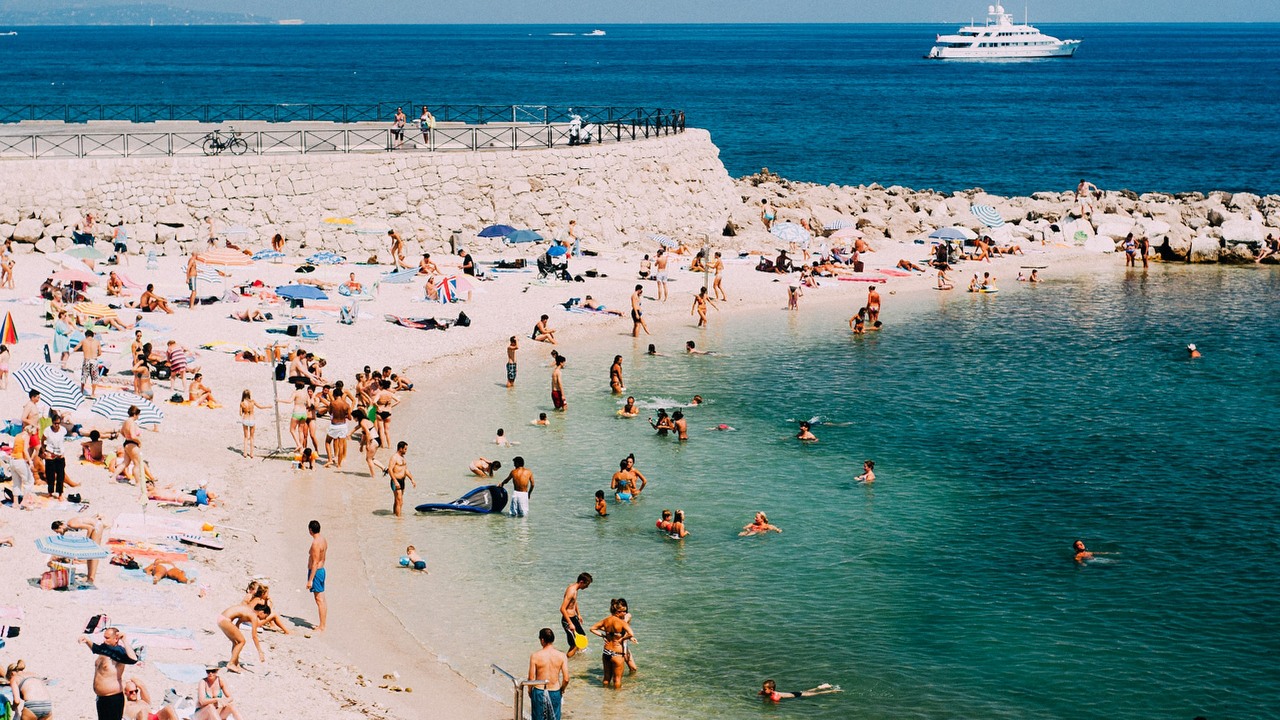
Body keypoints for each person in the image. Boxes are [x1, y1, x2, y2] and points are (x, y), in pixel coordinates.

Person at [79, 626, 138, 718]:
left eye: (107, 638)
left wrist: (124, 640)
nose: (104, 640)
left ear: (116, 639)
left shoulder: (119, 652)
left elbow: (133, 659)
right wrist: (87, 641)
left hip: (113, 698)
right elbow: (95, 649)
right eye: (104, 637)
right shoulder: (105, 649)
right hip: (101, 698)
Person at [590, 598, 637, 689]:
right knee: (617, 680)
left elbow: (592, 628)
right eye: (623, 612)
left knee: (606, 678)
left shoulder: (606, 620)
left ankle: (605, 695)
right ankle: (616, 697)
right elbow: (631, 633)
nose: (625, 613)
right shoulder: (622, 622)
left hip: (606, 652)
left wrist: (603, 636)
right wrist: (623, 638)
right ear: (618, 612)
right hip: (617, 654)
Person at [528, 628, 570, 720]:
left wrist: (530, 691)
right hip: (555, 691)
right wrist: (562, 689)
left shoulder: (535, 656)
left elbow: (531, 678)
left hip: (539, 691)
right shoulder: (562, 655)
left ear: (542, 640)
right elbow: (566, 679)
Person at [375, 442, 416, 518]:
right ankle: (398, 519)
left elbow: (405, 470)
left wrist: (412, 479)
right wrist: (395, 481)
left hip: (402, 481)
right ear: (400, 449)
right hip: (395, 481)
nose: (406, 451)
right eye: (405, 449)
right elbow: (390, 470)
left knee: (397, 500)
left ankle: (395, 516)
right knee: (399, 501)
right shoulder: (394, 457)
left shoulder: (402, 458)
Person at [560, 573, 592, 658]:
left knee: (583, 638)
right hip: (567, 620)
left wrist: (578, 614)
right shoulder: (571, 590)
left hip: (573, 618)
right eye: (586, 584)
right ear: (581, 582)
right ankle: (565, 662)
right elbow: (562, 608)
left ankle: (577, 661)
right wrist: (570, 623)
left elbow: (574, 602)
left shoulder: (575, 589)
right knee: (574, 645)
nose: (587, 587)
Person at [307, 519, 328, 632]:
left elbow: (315, 562)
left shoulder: (316, 543)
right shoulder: (323, 539)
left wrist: (310, 580)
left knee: (319, 599)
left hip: (316, 572)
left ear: (310, 530)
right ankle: (322, 624)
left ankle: (322, 626)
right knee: (321, 599)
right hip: (321, 570)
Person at [42, 413, 68, 501]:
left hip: (60, 454)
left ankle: (60, 493)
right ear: (52, 422)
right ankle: (50, 492)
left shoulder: (63, 430)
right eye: (55, 423)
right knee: (50, 475)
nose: (56, 425)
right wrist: (43, 450)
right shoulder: (48, 430)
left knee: (61, 475)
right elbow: (42, 439)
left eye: (58, 423)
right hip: (50, 453)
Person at [758, 679, 841, 702]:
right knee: (807, 691)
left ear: (771, 689)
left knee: (816, 694)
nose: (763, 690)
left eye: (765, 689)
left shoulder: (776, 695)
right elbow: (762, 693)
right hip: (794, 693)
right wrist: (762, 693)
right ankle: (820, 687)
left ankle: (832, 691)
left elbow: (775, 704)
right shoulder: (766, 692)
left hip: (797, 695)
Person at [80, 329, 102, 396]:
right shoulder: (97, 342)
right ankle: (93, 393)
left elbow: (76, 348)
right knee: (94, 377)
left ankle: (81, 391)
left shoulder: (83, 341)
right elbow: (100, 353)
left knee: (84, 376)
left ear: (86, 335)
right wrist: (94, 355)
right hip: (94, 360)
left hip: (86, 360)